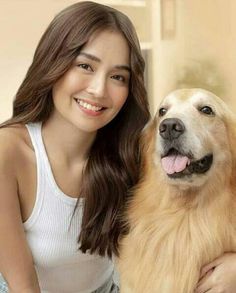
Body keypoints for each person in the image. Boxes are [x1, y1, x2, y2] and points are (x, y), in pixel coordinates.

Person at [0, 1, 150, 292]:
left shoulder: (133, 153)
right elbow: (24, 286)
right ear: (54, 63)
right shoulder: (8, 152)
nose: (98, 90)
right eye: (85, 66)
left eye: (118, 77)